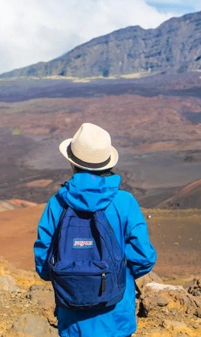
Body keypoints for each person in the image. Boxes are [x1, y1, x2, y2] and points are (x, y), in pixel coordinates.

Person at [34, 122, 157, 337]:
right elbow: (144, 258)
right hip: (116, 317)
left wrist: (72, 279)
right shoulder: (125, 202)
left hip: (72, 320)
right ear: (106, 164)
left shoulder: (57, 204)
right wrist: (114, 275)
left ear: (72, 163)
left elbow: (43, 263)